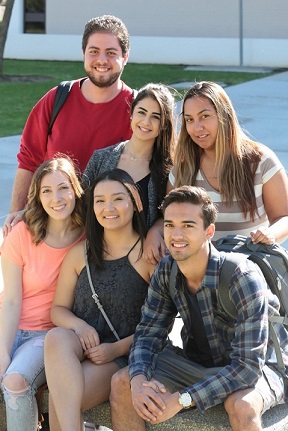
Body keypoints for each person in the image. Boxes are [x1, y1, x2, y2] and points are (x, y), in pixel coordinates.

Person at [109, 185, 288, 431]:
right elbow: (148, 335)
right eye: (170, 225)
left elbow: (247, 368)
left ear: (209, 231)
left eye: (188, 225)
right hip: (200, 364)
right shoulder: (167, 269)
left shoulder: (241, 275)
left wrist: (183, 399)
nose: (176, 234)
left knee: (242, 406)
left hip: (259, 369)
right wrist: (139, 379)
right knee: (123, 382)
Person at [44, 169, 156, 431]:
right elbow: (58, 310)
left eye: (118, 199)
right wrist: (80, 326)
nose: (109, 208)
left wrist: (115, 349)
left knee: (63, 399)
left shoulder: (147, 256)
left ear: (135, 202)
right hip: (78, 349)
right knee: (56, 337)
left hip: (120, 355)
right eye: (100, 200)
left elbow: (157, 326)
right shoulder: (79, 254)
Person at [4, 14, 133, 234]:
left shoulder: (138, 110)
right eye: (93, 51)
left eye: (111, 53)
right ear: (84, 54)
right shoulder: (56, 99)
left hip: (108, 233)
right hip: (53, 229)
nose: (101, 60)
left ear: (125, 56)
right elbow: (28, 159)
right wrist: (16, 213)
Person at [0, 157, 85, 431]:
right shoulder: (22, 233)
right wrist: (2, 351)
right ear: (37, 196)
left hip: (48, 336)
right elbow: (11, 299)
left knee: (14, 380)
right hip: (10, 326)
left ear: (75, 190)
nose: (56, 198)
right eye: (47, 191)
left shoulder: (89, 235)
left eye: (63, 188)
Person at [167, 81, 288, 244]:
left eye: (204, 116)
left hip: (251, 264)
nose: (197, 128)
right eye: (189, 120)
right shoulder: (183, 168)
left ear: (224, 115)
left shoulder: (261, 161)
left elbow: (284, 217)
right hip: (199, 268)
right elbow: (167, 220)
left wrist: (270, 234)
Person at [83, 83, 175, 263]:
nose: (146, 122)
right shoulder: (101, 158)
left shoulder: (169, 169)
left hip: (143, 261)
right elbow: (79, 204)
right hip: (99, 256)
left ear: (164, 124)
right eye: (141, 112)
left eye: (155, 117)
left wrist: (155, 231)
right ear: (131, 113)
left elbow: (170, 213)